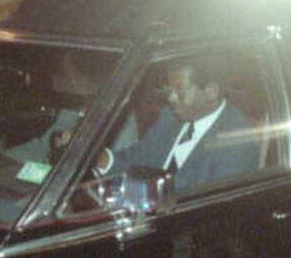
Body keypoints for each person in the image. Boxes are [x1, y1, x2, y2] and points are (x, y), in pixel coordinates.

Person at [95, 57, 259, 192]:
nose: (171, 98)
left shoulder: (237, 143)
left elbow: (211, 208)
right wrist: (102, 159)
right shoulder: (172, 115)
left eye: (179, 90)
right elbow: (142, 156)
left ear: (211, 91)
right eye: (168, 90)